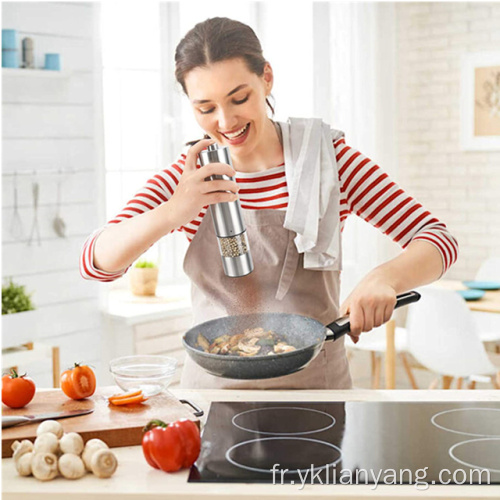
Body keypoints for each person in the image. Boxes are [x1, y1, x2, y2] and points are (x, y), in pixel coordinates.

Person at [80, 17, 458, 390]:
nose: (225, 121)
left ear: (267, 78)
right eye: (205, 108)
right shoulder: (189, 177)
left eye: (239, 98)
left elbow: (439, 240)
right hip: (213, 394)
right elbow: (95, 262)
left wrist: (384, 278)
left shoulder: (328, 162)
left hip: (315, 390)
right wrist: (174, 211)